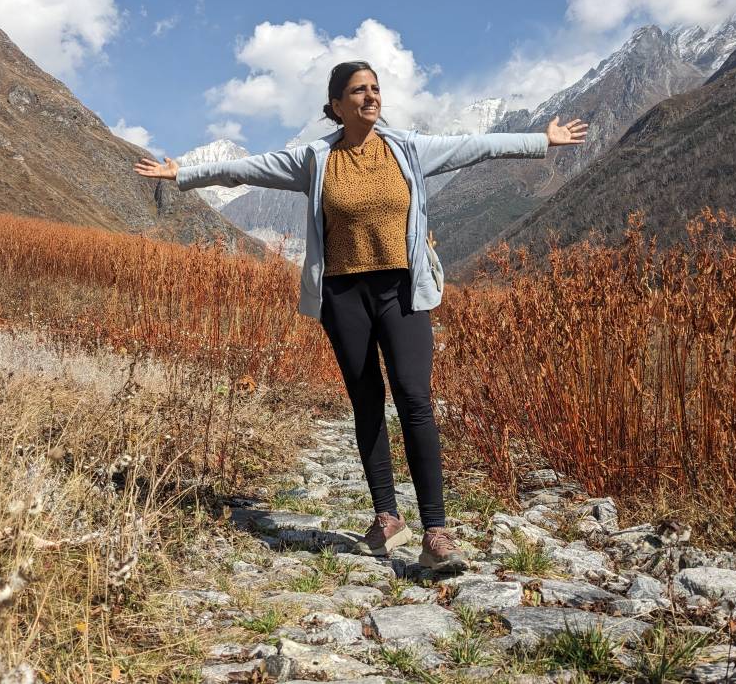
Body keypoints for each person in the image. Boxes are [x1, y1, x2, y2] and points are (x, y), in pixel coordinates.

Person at [134, 60, 588, 572]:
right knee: (367, 401)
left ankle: (436, 531)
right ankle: (386, 518)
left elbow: (475, 145)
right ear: (336, 105)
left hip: (402, 289)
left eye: (375, 88)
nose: (371, 97)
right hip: (343, 294)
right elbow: (246, 168)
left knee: (415, 400)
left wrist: (541, 140)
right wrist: (182, 175)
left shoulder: (407, 147)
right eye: (358, 90)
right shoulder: (314, 159)